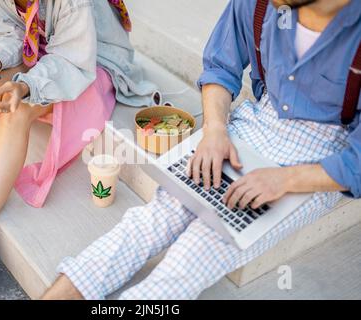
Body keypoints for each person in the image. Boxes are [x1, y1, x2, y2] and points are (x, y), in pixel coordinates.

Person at [42, 0, 361, 300]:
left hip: (323, 157)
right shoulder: (260, 5)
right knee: (154, 217)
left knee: (196, 253)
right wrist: (215, 130)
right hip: (255, 123)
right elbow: (221, 68)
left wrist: (285, 180)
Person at [0, 0, 155, 300]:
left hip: (90, 64)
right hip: (42, 52)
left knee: (18, 109)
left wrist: (25, 86)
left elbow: (73, 59)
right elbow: (12, 33)